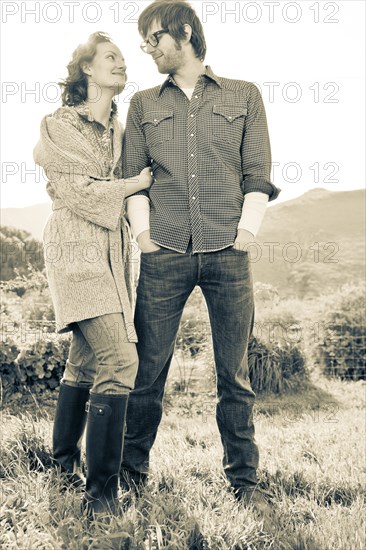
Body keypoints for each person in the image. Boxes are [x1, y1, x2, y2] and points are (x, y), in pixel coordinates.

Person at [121, 0, 280, 516]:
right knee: (147, 371)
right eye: (144, 40)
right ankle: (130, 476)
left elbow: (258, 174)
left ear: (184, 32)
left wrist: (246, 232)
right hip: (163, 251)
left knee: (234, 375)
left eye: (154, 37)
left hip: (228, 253)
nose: (147, 47)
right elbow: (135, 177)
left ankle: (244, 481)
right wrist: (144, 236)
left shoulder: (244, 94)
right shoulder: (143, 104)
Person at [33, 31, 153, 517]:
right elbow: (78, 191)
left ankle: (62, 468)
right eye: (111, 58)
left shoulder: (120, 131)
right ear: (86, 69)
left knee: (85, 362)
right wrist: (134, 183)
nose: (122, 64)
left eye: (124, 59)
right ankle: (101, 496)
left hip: (112, 251)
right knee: (121, 360)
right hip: (75, 248)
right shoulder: (59, 124)